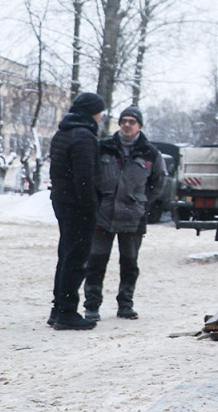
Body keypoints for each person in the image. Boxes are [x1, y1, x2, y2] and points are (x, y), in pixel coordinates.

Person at [83, 106, 166, 322]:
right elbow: (90, 175)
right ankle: (92, 306)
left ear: (139, 126)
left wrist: (142, 203)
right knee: (95, 263)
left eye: (132, 121)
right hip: (103, 214)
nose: (127, 125)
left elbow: (159, 183)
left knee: (129, 263)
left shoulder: (150, 153)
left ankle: (125, 305)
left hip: (133, 217)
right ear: (119, 124)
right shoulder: (104, 147)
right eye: (124, 121)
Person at [47, 92, 106, 331]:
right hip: (77, 206)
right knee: (76, 259)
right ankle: (67, 312)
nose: (102, 116)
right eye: (100, 111)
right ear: (93, 112)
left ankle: (58, 308)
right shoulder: (84, 137)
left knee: (66, 256)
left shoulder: (63, 133)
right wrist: (92, 207)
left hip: (62, 202)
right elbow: (84, 178)